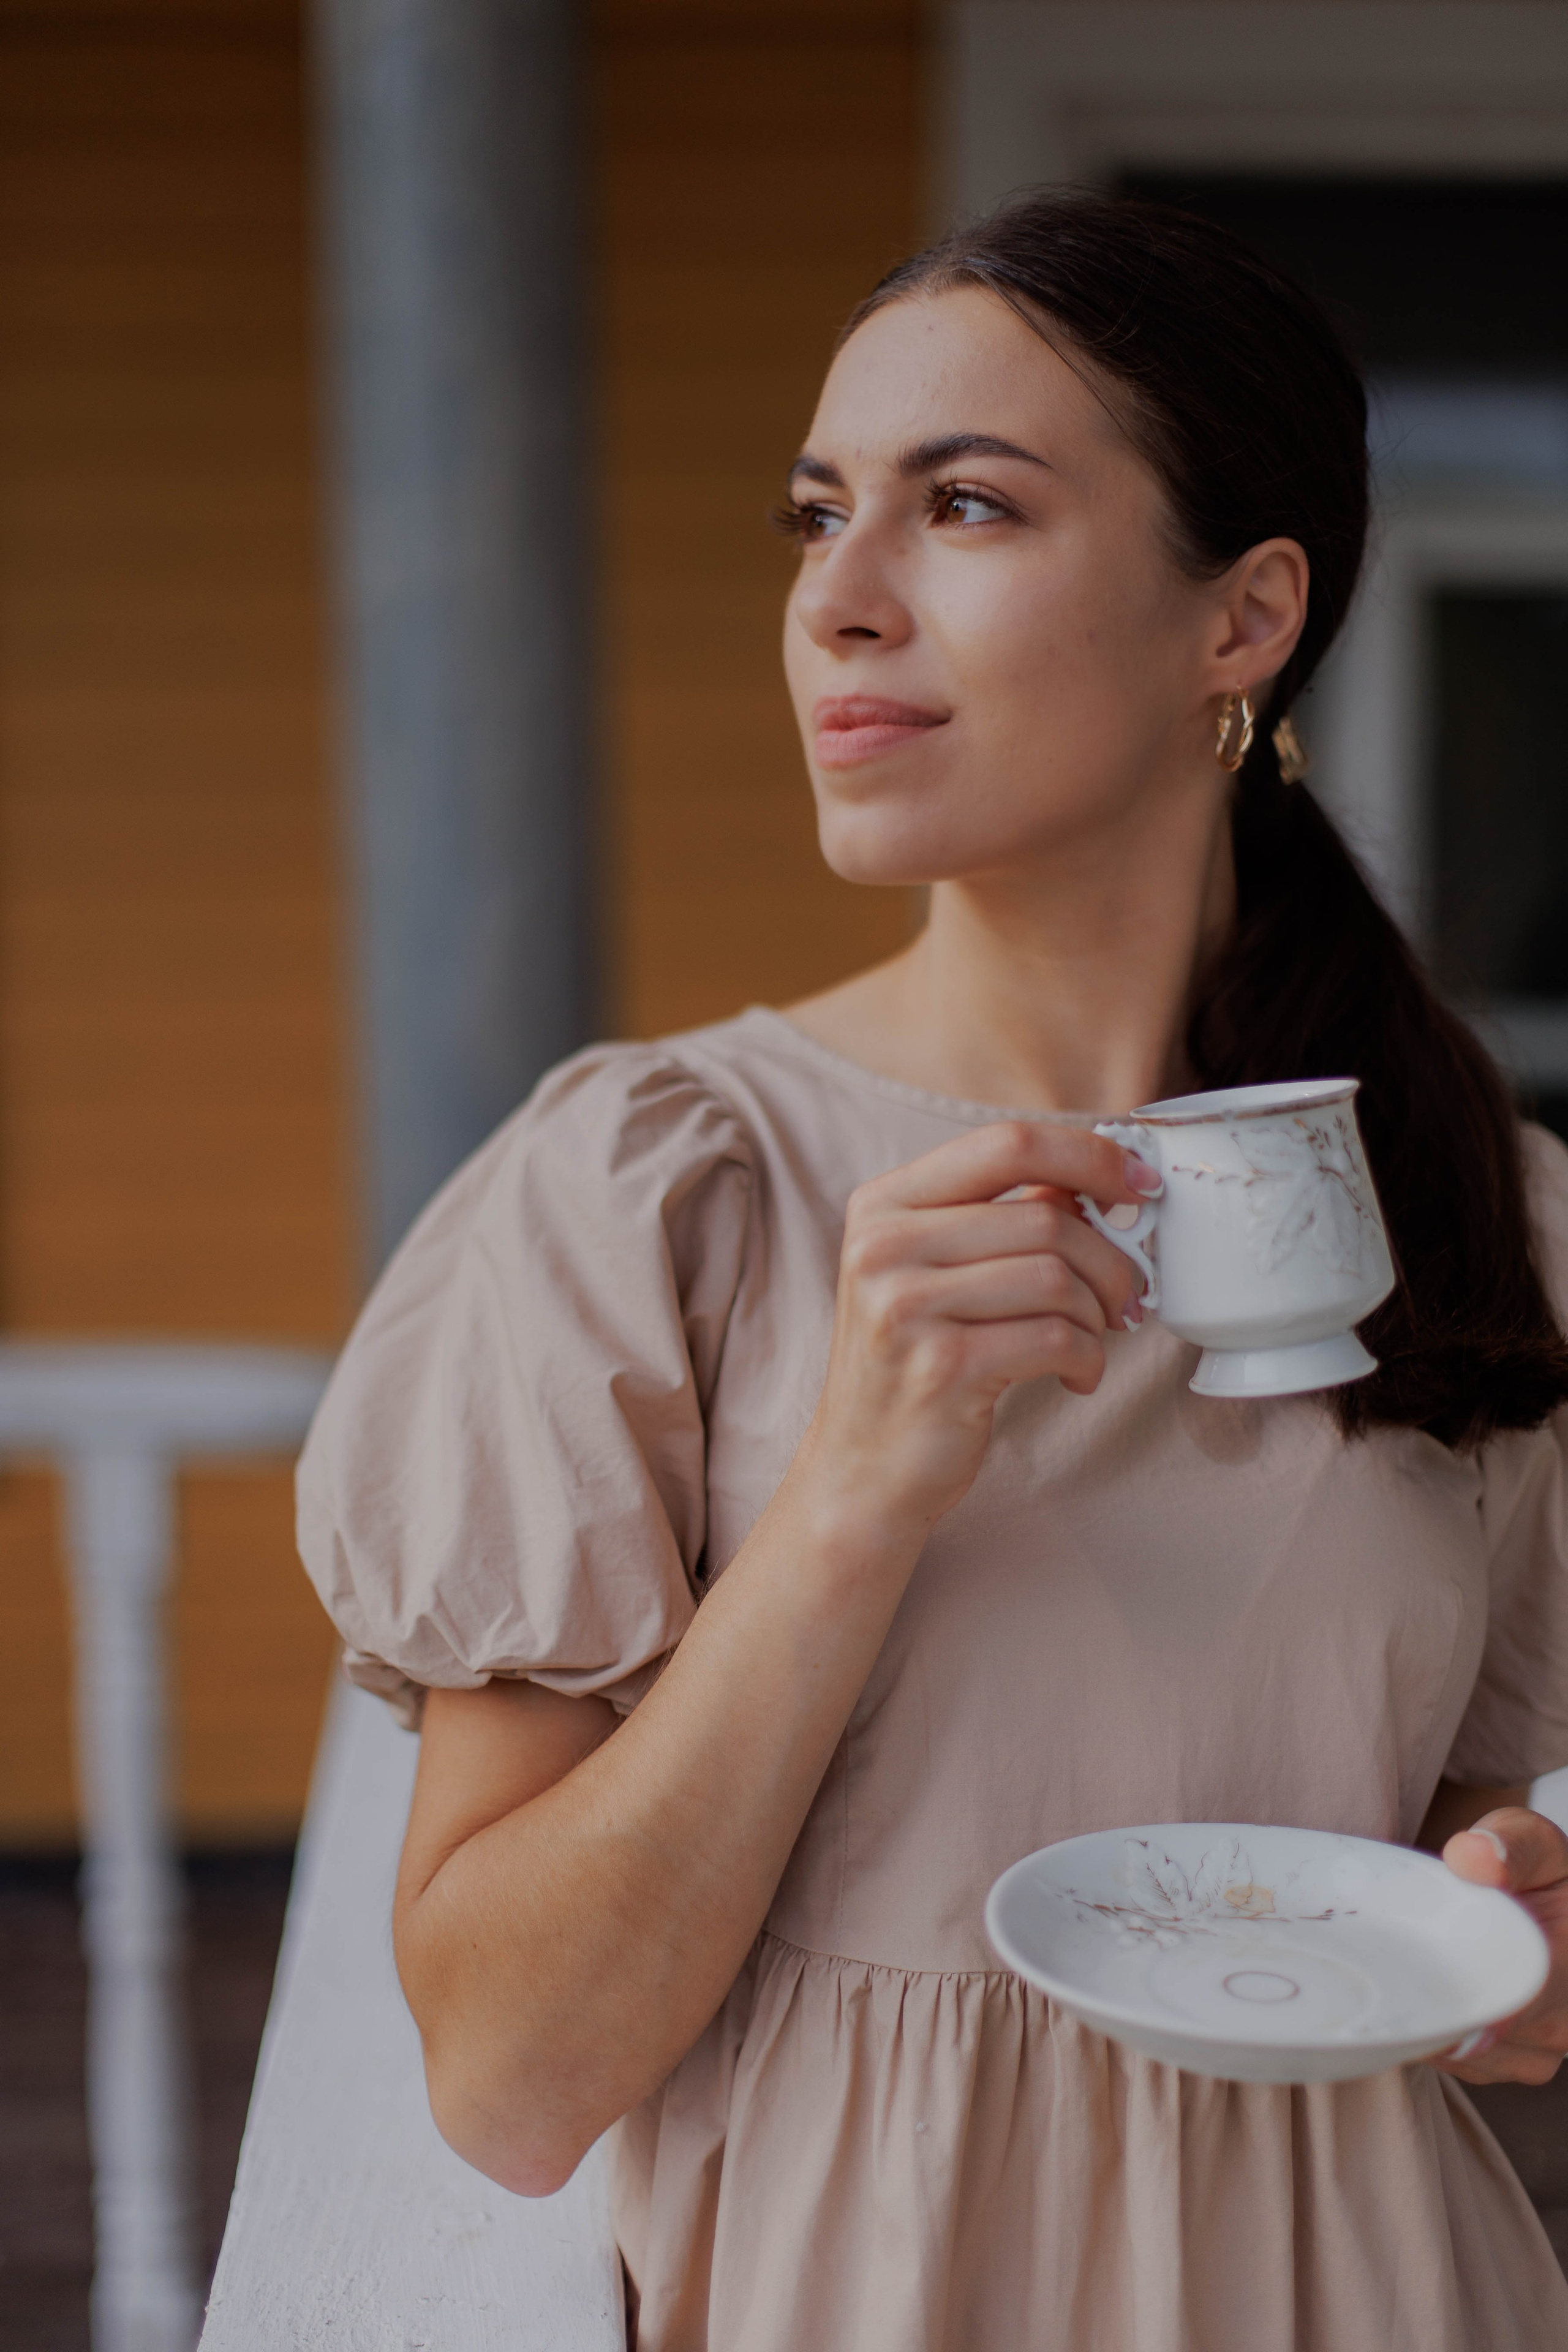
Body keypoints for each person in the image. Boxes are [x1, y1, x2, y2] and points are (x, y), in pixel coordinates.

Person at [298, 193, 1568, 2350]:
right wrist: (861, 1485)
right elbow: (511, 2083)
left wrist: (1506, 1925)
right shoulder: (650, 1189)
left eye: (963, 506)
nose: (840, 606)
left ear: (1243, 616)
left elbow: (1424, 1836)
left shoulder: (1488, 1212)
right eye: (816, 518)